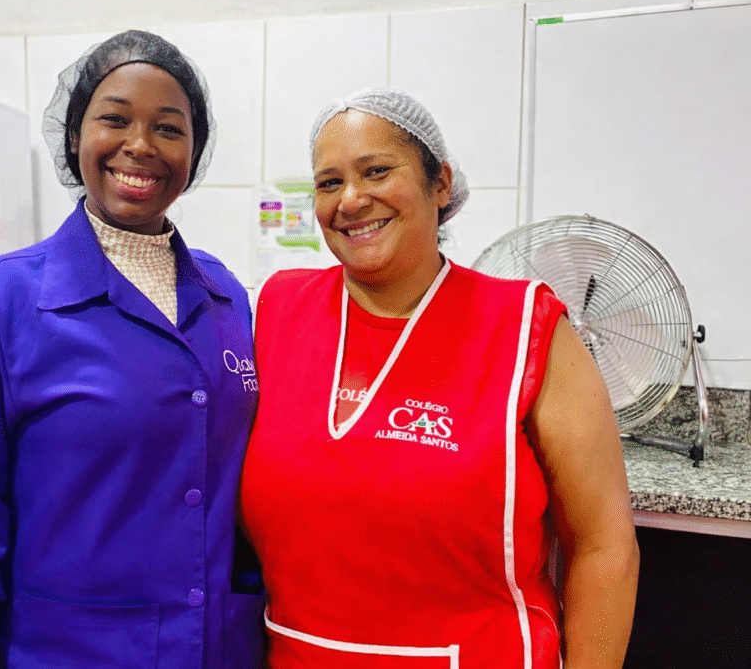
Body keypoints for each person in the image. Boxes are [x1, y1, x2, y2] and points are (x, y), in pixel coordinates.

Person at [240, 88, 639, 668]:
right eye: (329, 183)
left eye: (377, 171)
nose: (350, 200)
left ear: (441, 183)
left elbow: (603, 546)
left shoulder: (525, 328)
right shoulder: (279, 311)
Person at [0, 30, 265, 669]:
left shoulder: (226, 298)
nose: (141, 145)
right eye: (115, 119)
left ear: (194, 152)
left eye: (169, 128)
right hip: (71, 653)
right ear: (76, 135)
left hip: (220, 650)